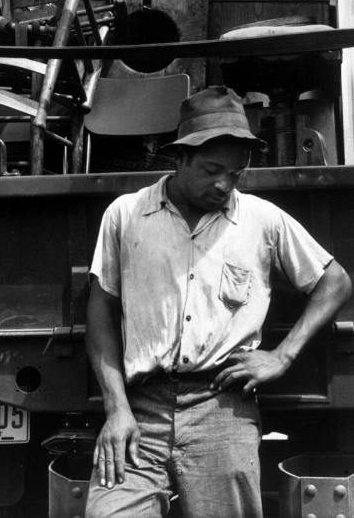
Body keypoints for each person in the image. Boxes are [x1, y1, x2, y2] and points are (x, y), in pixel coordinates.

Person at [85, 85, 352, 518]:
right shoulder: (125, 214)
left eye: (236, 173)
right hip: (141, 410)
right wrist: (116, 410)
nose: (224, 184)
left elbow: (335, 282)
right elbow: (101, 310)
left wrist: (282, 356)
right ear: (181, 158)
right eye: (212, 170)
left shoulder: (261, 220)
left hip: (222, 409)